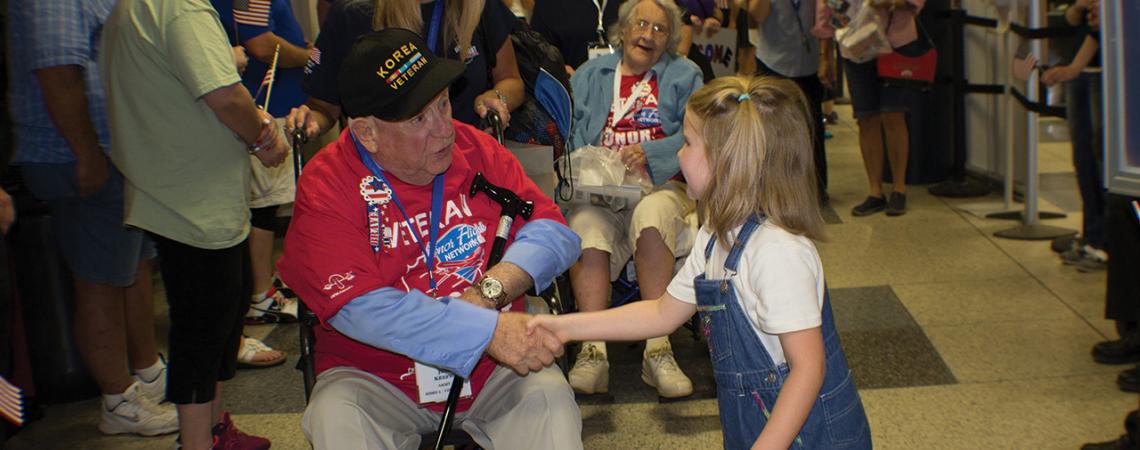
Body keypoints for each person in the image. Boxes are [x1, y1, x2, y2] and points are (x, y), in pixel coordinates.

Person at [276, 28, 583, 449]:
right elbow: (359, 309)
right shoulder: (328, 184)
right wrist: (478, 329)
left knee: (549, 402)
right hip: (374, 374)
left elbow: (553, 232)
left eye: (442, 105)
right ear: (367, 133)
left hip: (494, 367)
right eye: (419, 119)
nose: (445, 131)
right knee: (336, 419)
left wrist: (489, 292)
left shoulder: (477, 149)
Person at [531, 76, 872, 449]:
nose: (678, 154)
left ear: (727, 162)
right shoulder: (716, 235)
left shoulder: (777, 252)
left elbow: (808, 370)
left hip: (812, 435)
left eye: (689, 143)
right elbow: (662, 313)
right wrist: (564, 327)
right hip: (759, 422)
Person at [101, 0, 288, 447]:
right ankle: (199, 441)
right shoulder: (180, 8)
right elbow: (224, 95)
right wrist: (262, 134)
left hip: (175, 189)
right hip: (192, 197)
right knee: (203, 330)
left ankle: (214, 427)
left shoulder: (136, 8)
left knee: (221, 315)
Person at [8, 0, 174, 436]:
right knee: (100, 279)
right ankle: (117, 401)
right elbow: (58, 70)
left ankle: (148, 374)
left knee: (133, 264)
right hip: (79, 153)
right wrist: (87, 152)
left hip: (117, 149)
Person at [564, 0, 703, 399]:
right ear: (622, 30)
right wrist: (593, 169)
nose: (648, 35)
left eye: (660, 30)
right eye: (641, 24)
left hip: (661, 186)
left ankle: (657, 348)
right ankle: (593, 350)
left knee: (654, 212)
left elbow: (701, 131)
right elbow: (571, 134)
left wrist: (654, 152)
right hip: (602, 192)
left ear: (670, 40)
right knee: (585, 224)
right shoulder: (591, 74)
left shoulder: (685, 74)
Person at [287, 0, 524, 140]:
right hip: (386, 179)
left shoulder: (478, 6)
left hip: (466, 166)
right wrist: (310, 121)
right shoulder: (352, 13)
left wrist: (498, 98)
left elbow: (511, 80)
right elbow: (324, 106)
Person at [815, 0, 925, 216]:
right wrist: (825, 56)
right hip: (853, 44)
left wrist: (890, 2)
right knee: (866, 117)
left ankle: (899, 189)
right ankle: (875, 191)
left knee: (893, 114)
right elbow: (825, 10)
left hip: (895, 43)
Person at [743, 0, 830, 203]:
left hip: (808, 63)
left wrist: (826, 57)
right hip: (773, 62)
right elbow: (757, 14)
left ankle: (816, 188)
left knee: (812, 128)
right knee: (771, 129)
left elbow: (825, 18)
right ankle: (772, 189)